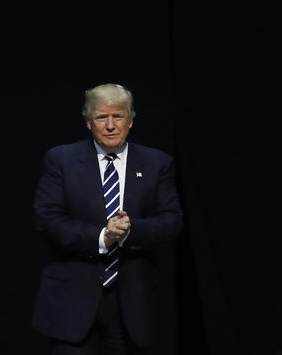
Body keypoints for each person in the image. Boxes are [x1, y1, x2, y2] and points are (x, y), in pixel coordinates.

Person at [31, 83, 183, 355]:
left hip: (132, 303)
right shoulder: (61, 160)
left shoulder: (157, 163)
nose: (111, 125)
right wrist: (103, 237)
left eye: (118, 116)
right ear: (89, 123)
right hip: (73, 300)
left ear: (131, 120)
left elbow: (171, 221)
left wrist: (129, 230)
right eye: (102, 117)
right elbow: (47, 220)